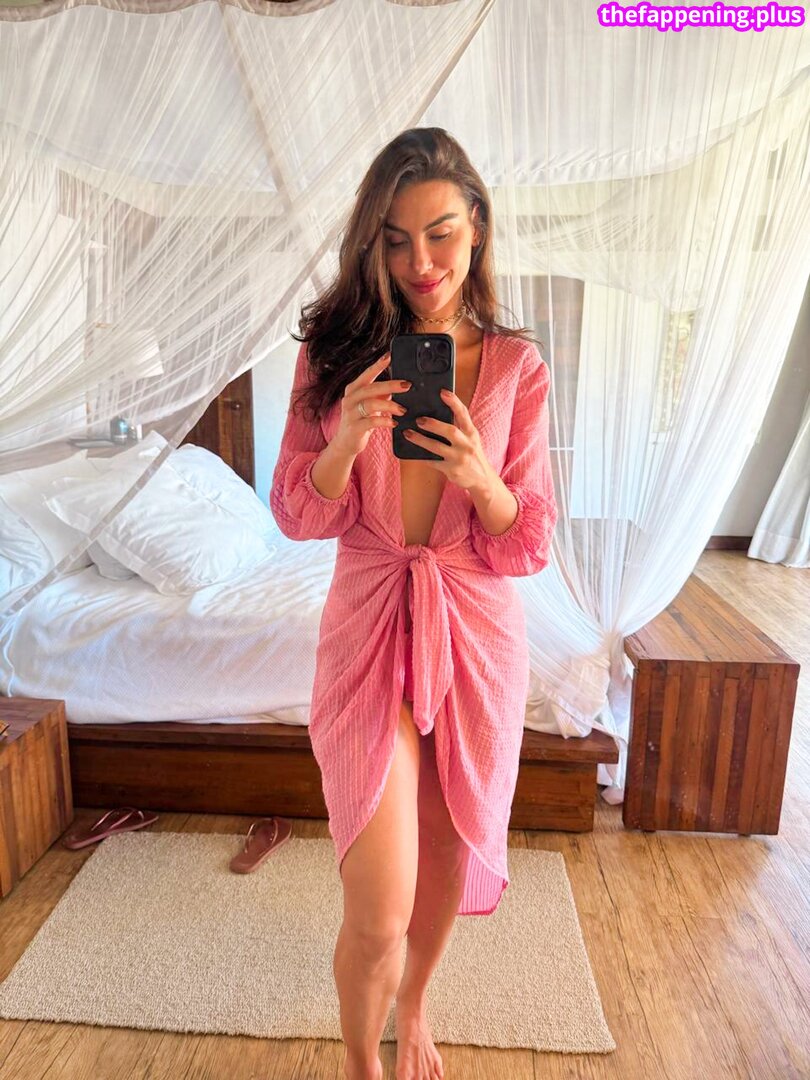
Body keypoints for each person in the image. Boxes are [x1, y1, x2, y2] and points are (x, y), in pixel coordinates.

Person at [270, 127, 557, 1080]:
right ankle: (361, 1062)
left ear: (478, 227)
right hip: (369, 631)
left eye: (440, 234)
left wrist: (481, 477)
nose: (420, 262)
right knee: (378, 905)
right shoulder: (333, 356)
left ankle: (416, 1005)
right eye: (395, 240)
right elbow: (297, 514)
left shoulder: (516, 369)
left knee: (443, 857)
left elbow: (528, 541)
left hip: (474, 635)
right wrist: (346, 439)